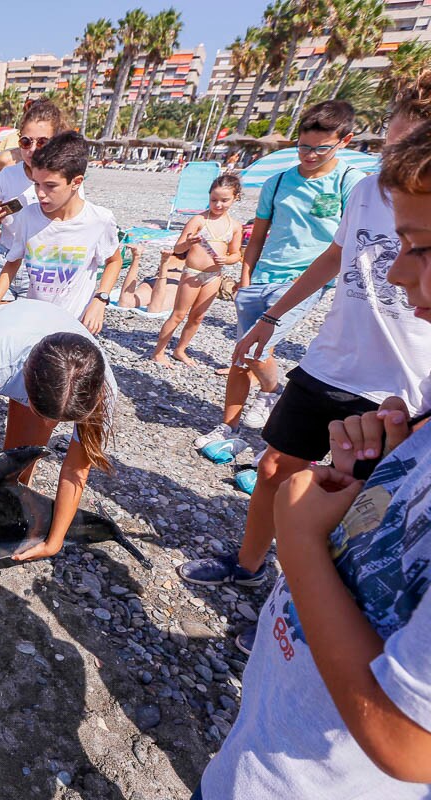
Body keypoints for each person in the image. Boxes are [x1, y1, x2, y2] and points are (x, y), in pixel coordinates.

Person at [189, 123, 431, 799]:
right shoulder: (367, 195)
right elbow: (334, 260)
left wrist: (299, 544)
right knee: (274, 470)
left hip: (317, 773)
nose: (396, 269)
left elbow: (409, 742)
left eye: (422, 250)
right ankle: (246, 569)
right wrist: (275, 318)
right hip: (336, 370)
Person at [193, 101, 365, 447]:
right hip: (262, 277)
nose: (310, 154)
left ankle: (272, 392)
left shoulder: (351, 182)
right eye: (303, 146)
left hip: (305, 282)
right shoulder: (279, 182)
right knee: (240, 356)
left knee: (259, 349)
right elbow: (256, 237)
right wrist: (245, 278)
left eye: (320, 148)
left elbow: (347, 245)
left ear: (344, 141)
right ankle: (230, 429)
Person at [0, 299, 115, 607]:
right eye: (43, 414)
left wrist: (54, 542)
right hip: (1, 332)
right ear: (25, 383)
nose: (47, 424)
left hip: (53, 367)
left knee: (17, 474)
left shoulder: (100, 387)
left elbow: (75, 469)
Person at [0, 132, 122, 334]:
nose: (40, 193)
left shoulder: (99, 220)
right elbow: (13, 261)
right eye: (36, 184)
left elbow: (114, 260)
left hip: (75, 326)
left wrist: (100, 299)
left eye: (50, 186)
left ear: (76, 182)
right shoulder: (27, 217)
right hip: (34, 320)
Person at [0, 100, 69, 307]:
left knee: (29, 332)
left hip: (41, 263)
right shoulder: (8, 173)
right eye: (26, 142)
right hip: (4, 256)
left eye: (42, 142)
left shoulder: (66, 180)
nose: (33, 150)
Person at [150, 175, 245, 367]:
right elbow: (178, 249)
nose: (218, 204)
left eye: (224, 200)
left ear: (236, 198)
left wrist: (226, 259)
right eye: (214, 200)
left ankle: (180, 350)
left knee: (198, 316)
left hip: (214, 276)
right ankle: (158, 352)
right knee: (178, 314)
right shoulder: (199, 220)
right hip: (192, 273)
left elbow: (236, 255)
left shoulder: (235, 226)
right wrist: (188, 243)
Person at [114, 242, 181, 316]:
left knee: (125, 303)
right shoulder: (192, 257)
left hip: (156, 281)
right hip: (172, 284)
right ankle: (162, 263)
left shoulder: (175, 253)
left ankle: (137, 257)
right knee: (153, 309)